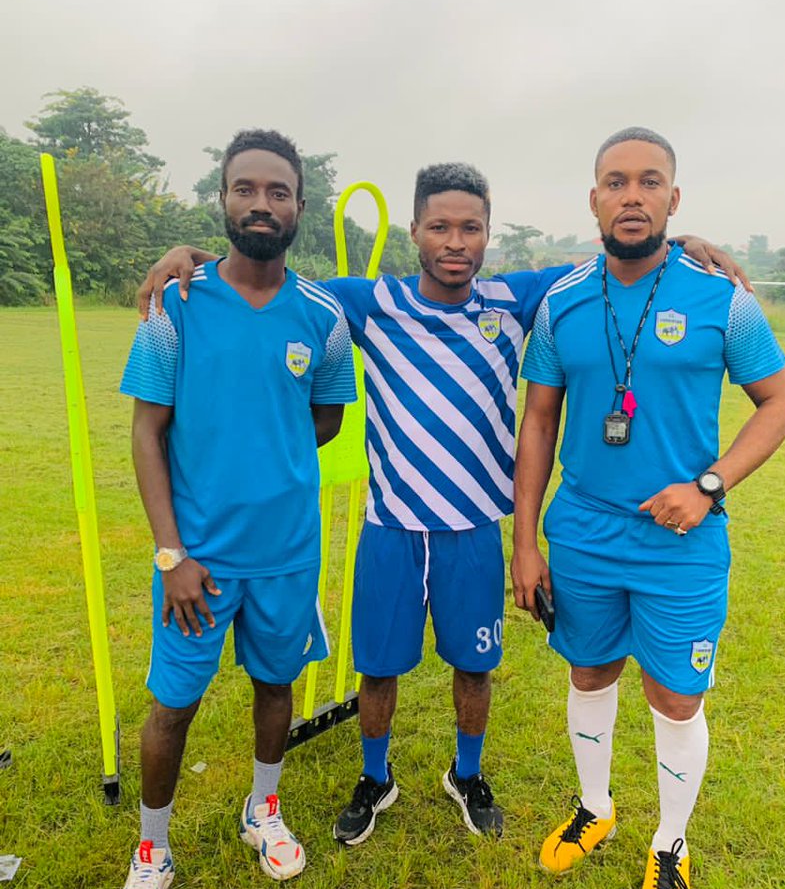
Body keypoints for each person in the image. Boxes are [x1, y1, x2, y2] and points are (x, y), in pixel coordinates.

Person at [138, 162, 748, 849]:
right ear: (415, 232)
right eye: (439, 227)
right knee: (379, 666)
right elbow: (268, 277)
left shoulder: (517, 299)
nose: (454, 242)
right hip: (391, 526)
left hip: (472, 530)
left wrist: (684, 239)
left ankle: (467, 772)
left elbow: (621, 253)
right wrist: (188, 255)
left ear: (488, 234)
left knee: (474, 665)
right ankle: (375, 777)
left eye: (470, 228)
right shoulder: (367, 302)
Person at [511, 127, 785, 889]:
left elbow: (781, 403)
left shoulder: (722, 301)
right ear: (594, 198)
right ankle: (594, 807)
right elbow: (537, 425)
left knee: (675, 697)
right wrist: (525, 540)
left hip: (681, 542)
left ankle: (670, 846)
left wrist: (710, 485)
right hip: (582, 534)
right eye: (615, 181)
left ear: (674, 200)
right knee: (590, 673)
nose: (630, 195)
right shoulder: (561, 303)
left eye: (648, 182)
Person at [111, 129, 356, 889]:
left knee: (275, 685)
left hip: (286, 553)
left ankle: (265, 806)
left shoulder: (322, 317)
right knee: (171, 706)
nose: (262, 204)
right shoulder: (174, 305)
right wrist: (172, 553)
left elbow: (321, 419)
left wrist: (267, 463)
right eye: (246, 189)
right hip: (197, 561)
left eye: (278, 192)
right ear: (222, 199)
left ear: (297, 208)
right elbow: (148, 434)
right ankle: (153, 853)